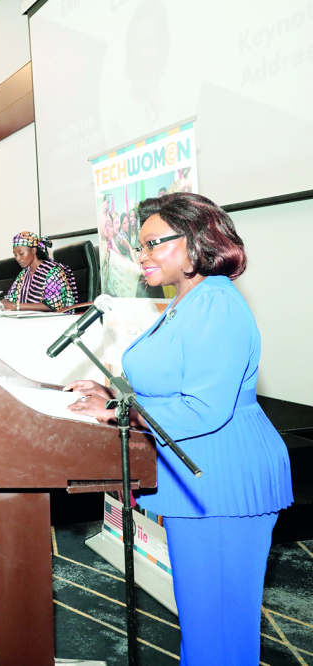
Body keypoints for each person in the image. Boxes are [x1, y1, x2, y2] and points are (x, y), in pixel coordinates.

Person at [64, 192, 293, 665]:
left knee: (219, 636)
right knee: (204, 628)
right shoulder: (184, 302)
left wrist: (120, 411)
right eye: (139, 245)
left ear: (195, 241)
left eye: (153, 243)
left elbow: (204, 408)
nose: (141, 255)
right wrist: (113, 394)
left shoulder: (216, 303)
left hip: (224, 477)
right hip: (199, 473)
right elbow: (170, 384)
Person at [1, 232, 77, 312]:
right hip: (28, 317)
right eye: (15, 255)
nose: (17, 258)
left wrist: (17, 306)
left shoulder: (53, 271)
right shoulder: (23, 274)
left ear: (33, 250)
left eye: (21, 253)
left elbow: (53, 305)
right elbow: (11, 298)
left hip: (51, 318)